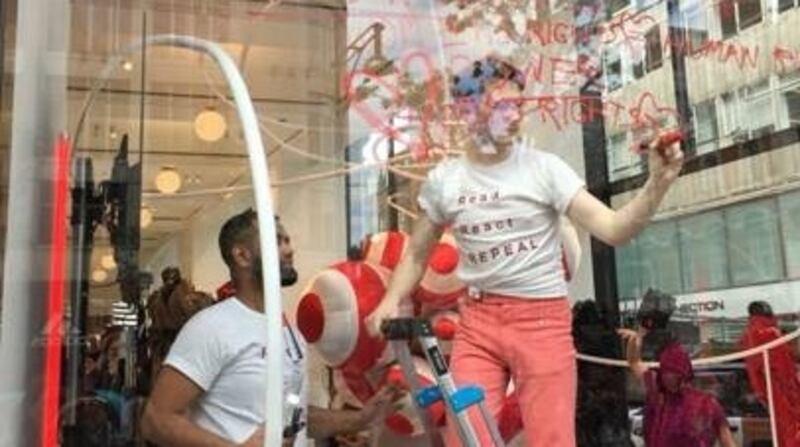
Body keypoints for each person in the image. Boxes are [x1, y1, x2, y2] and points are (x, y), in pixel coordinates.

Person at [365, 55, 685, 445]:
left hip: (541, 321)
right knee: (466, 437)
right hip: (478, 322)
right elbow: (416, 255)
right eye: (501, 106)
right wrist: (389, 300)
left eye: (518, 106)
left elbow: (614, 229)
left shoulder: (544, 169)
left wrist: (657, 184)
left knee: (552, 439)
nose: (514, 116)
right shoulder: (445, 180)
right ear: (467, 110)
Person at [141, 209, 403, 446]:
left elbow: (294, 417)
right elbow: (156, 420)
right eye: (277, 241)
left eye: (287, 240)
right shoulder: (212, 327)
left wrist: (361, 418)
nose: (290, 249)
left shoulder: (289, 331)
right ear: (242, 255)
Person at [618, 329, 736, 447]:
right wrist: (634, 342)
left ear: (685, 374)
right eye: (666, 375)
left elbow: (727, 440)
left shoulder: (707, 404)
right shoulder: (656, 389)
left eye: (676, 376)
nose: (670, 380)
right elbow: (634, 362)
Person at [739, 301, 800, 447]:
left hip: (768, 389)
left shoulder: (749, 335)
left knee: (783, 430)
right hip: (780, 388)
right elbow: (784, 368)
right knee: (790, 428)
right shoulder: (769, 333)